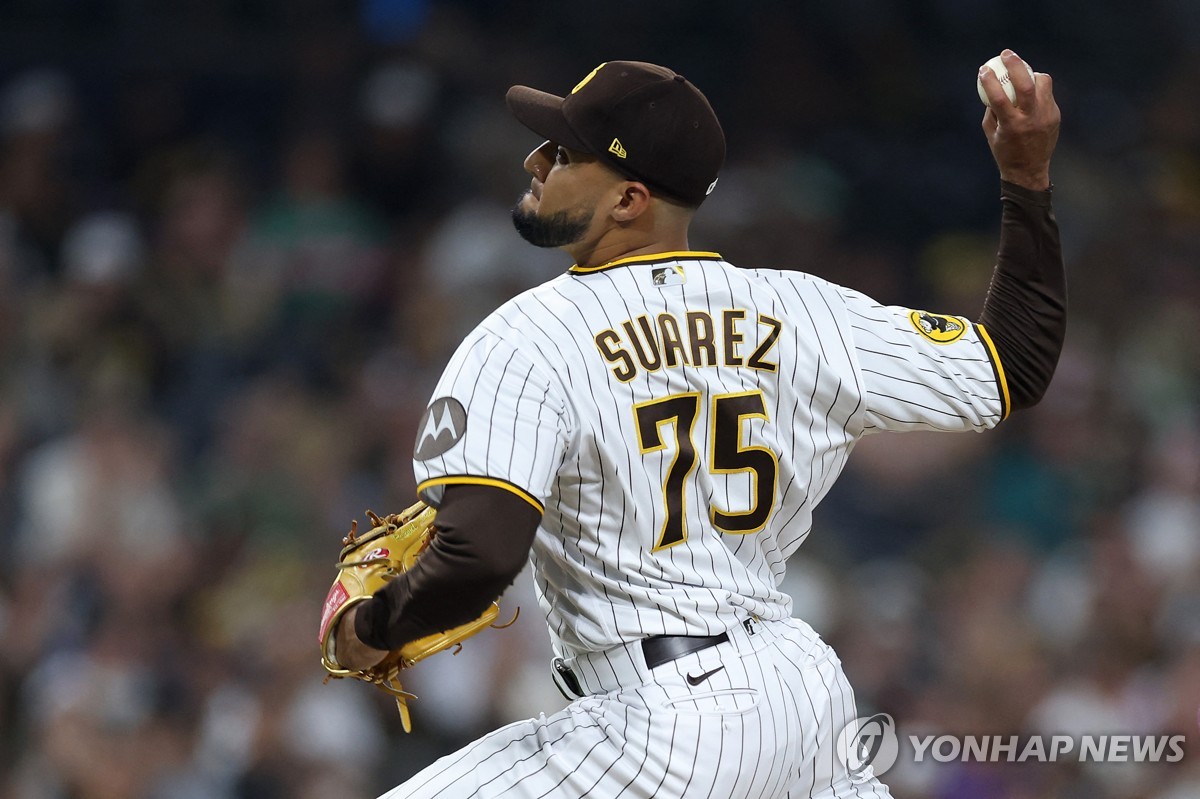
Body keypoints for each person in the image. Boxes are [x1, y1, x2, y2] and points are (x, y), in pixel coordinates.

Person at [333, 53, 1064, 798]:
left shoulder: (529, 335)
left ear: (629, 200)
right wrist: (1027, 179)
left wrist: (373, 627)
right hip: (804, 701)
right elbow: (1014, 364)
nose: (534, 160)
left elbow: (478, 558)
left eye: (562, 152)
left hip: (660, 725)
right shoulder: (805, 312)